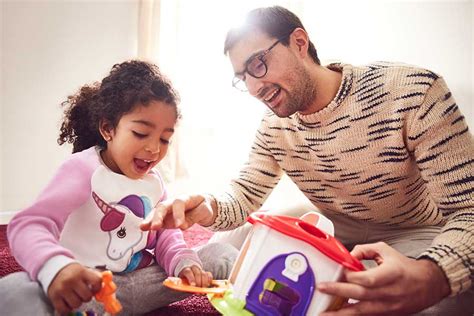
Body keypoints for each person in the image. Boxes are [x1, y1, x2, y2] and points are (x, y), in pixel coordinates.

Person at [140, 6, 474, 315]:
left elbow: (469, 209)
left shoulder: (413, 91)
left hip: (412, 230)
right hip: (331, 224)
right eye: (243, 77)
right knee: (229, 240)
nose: (254, 87)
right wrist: (207, 207)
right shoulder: (274, 127)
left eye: (258, 64)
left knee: (389, 297)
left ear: (299, 42)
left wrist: (434, 274)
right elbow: (243, 197)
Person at [0, 60, 237, 315]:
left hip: (142, 284)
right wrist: (57, 269)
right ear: (108, 128)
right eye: (140, 133)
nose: (154, 149)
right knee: (13, 290)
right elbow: (29, 224)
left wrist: (184, 264)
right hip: (87, 290)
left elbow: (166, 237)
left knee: (220, 254)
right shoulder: (82, 169)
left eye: (165, 139)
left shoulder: (154, 181)